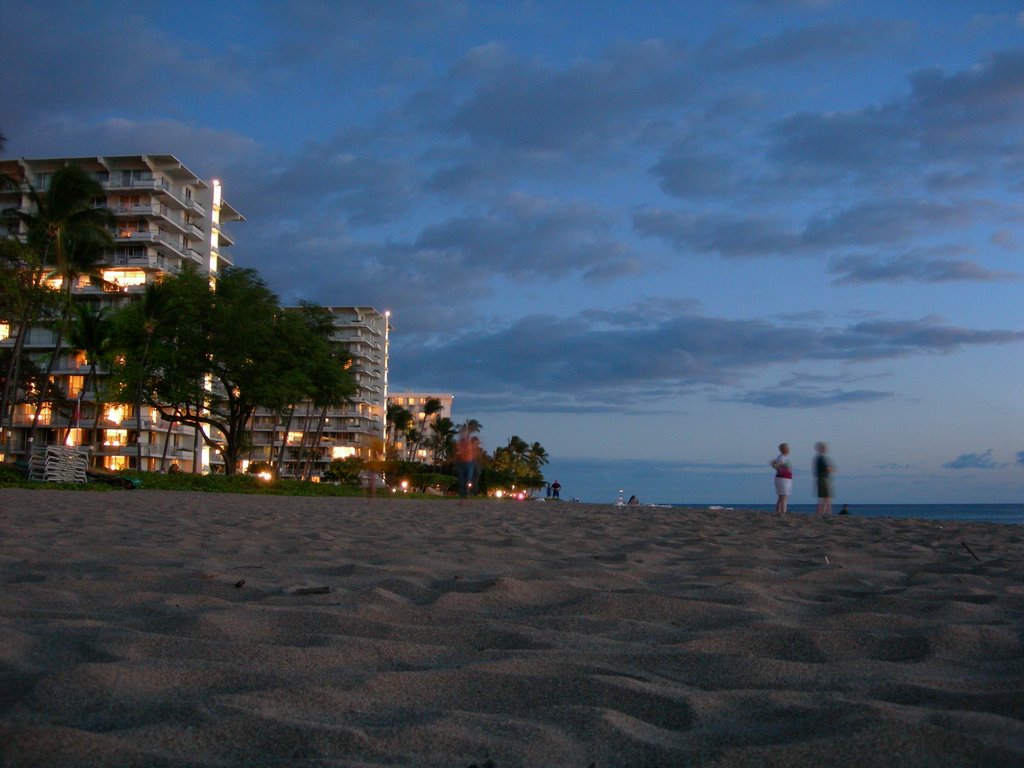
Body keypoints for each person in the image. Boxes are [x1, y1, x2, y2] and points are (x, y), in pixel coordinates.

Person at [455, 426, 482, 498]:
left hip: (469, 462)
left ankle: (469, 492)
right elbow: (458, 451)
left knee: (469, 479)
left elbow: (474, 450)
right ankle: (464, 493)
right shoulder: (461, 442)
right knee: (462, 480)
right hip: (462, 462)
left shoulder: (470, 442)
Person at [771, 443, 792, 514]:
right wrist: (779, 469)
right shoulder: (782, 457)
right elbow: (775, 464)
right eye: (787, 448)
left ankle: (779, 511)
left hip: (785, 479)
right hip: (783, 479)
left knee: (781, 496)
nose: (788, 449)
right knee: (784, 496)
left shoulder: (783, 457)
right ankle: (783, 511)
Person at [814, 442, 834, 515]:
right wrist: (831, 469)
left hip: (822, 478)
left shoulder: (820, 458)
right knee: (826, 497)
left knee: (823, 497)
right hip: (823, 478)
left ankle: (823, 512)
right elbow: (828, 469)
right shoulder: (821, 458)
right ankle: (825, 512)